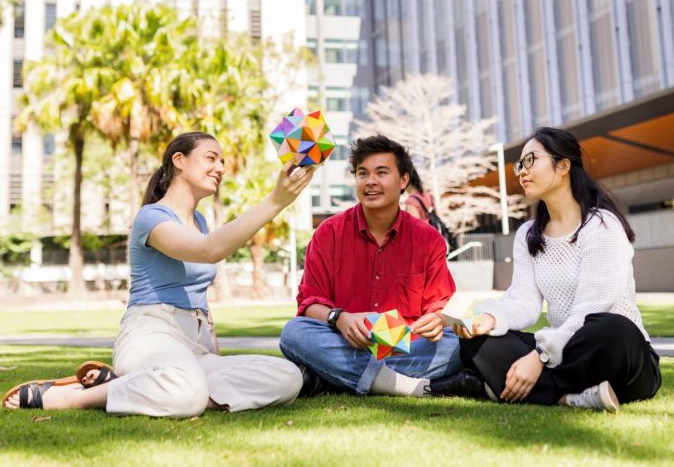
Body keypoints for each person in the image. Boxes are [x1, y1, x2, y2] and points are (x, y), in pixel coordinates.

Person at [3, 131, 314, 415]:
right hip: (151, 334)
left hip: (195, 346)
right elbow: (208, 251)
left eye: (222, 161)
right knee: (186, 391)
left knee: (286, 379)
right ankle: (74, 396)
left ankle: (153, 387)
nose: (220, 167)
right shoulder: (151, 218)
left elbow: (199, 294)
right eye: (210, 158)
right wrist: (275, 202)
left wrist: (212, 349)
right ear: (178, 160)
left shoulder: (201, 222)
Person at [433, 127, 661, 412]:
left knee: (611, 327)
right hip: (565, 353)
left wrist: (540, 357)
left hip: (617, 354)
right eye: (520, 165)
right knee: (478, 342)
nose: (522, 171)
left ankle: (520, 385)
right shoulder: (529, 234)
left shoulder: (602, 225)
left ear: (563, 165)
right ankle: (571, 397)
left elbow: (593, 306)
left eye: (531, 160)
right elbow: (524, 302)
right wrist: (490, 318)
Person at [279, 134, 462, 398]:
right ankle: (398, 384)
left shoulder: (428, 239)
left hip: (404, 347)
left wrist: (437, 319)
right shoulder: (328, 233)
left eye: (381, 172)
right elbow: (309, 303)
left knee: (454, 345)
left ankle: (332, 377)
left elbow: (440, 306)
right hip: (344, 342)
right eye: (362, 173)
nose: (370, 181)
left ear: (403, 180)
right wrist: (339, 318)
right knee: (294, 333)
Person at [404, 168, 452, 246]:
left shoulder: (411, 201)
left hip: (422, 245)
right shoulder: (429, 196)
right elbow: (436, 216)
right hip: (434, 241)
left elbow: (414, 229)